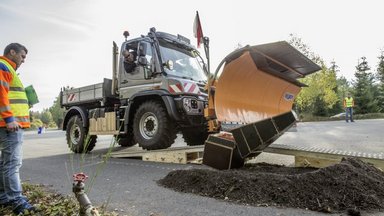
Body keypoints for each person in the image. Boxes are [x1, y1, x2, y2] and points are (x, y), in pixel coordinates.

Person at [0, 43, 36, 214]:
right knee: (12, 163)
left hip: (9, 123)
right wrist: (9, 119)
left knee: (5, 162)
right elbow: (1, 93)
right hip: (9, 125)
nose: (23, 60)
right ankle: (17, 201)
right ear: (11, 52)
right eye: (22, 56)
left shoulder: (8, 68)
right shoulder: (4, 66)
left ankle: (3, 197)